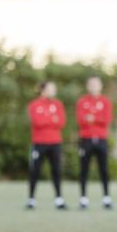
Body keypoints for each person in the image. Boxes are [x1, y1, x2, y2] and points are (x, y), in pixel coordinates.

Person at [26, 81, 67, 210]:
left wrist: (47, 119)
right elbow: (37, 122)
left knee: (56, 171)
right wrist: (51, 119)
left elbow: (61, 122)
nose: (54, 91)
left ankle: (59, 200)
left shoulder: (58, 104)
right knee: (35, 171)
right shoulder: (34, 105)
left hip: (55, 143)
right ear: (43, 90)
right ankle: (31, 200)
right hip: (39, 143)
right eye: (51, 88)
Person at [76, 76, 114, 210]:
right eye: (91, 84)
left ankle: (107, 198)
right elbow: (80, 119)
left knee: (103, 169)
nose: (93, 87)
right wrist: (95, 118)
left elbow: (107, 119)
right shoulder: (82, 101)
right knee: (84, 170)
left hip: (101, 140)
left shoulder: (105, 102)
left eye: (96, 84)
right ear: (87, 86)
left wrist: (92, 117)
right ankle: (83, 199)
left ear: (100, 86)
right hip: (85, 140)